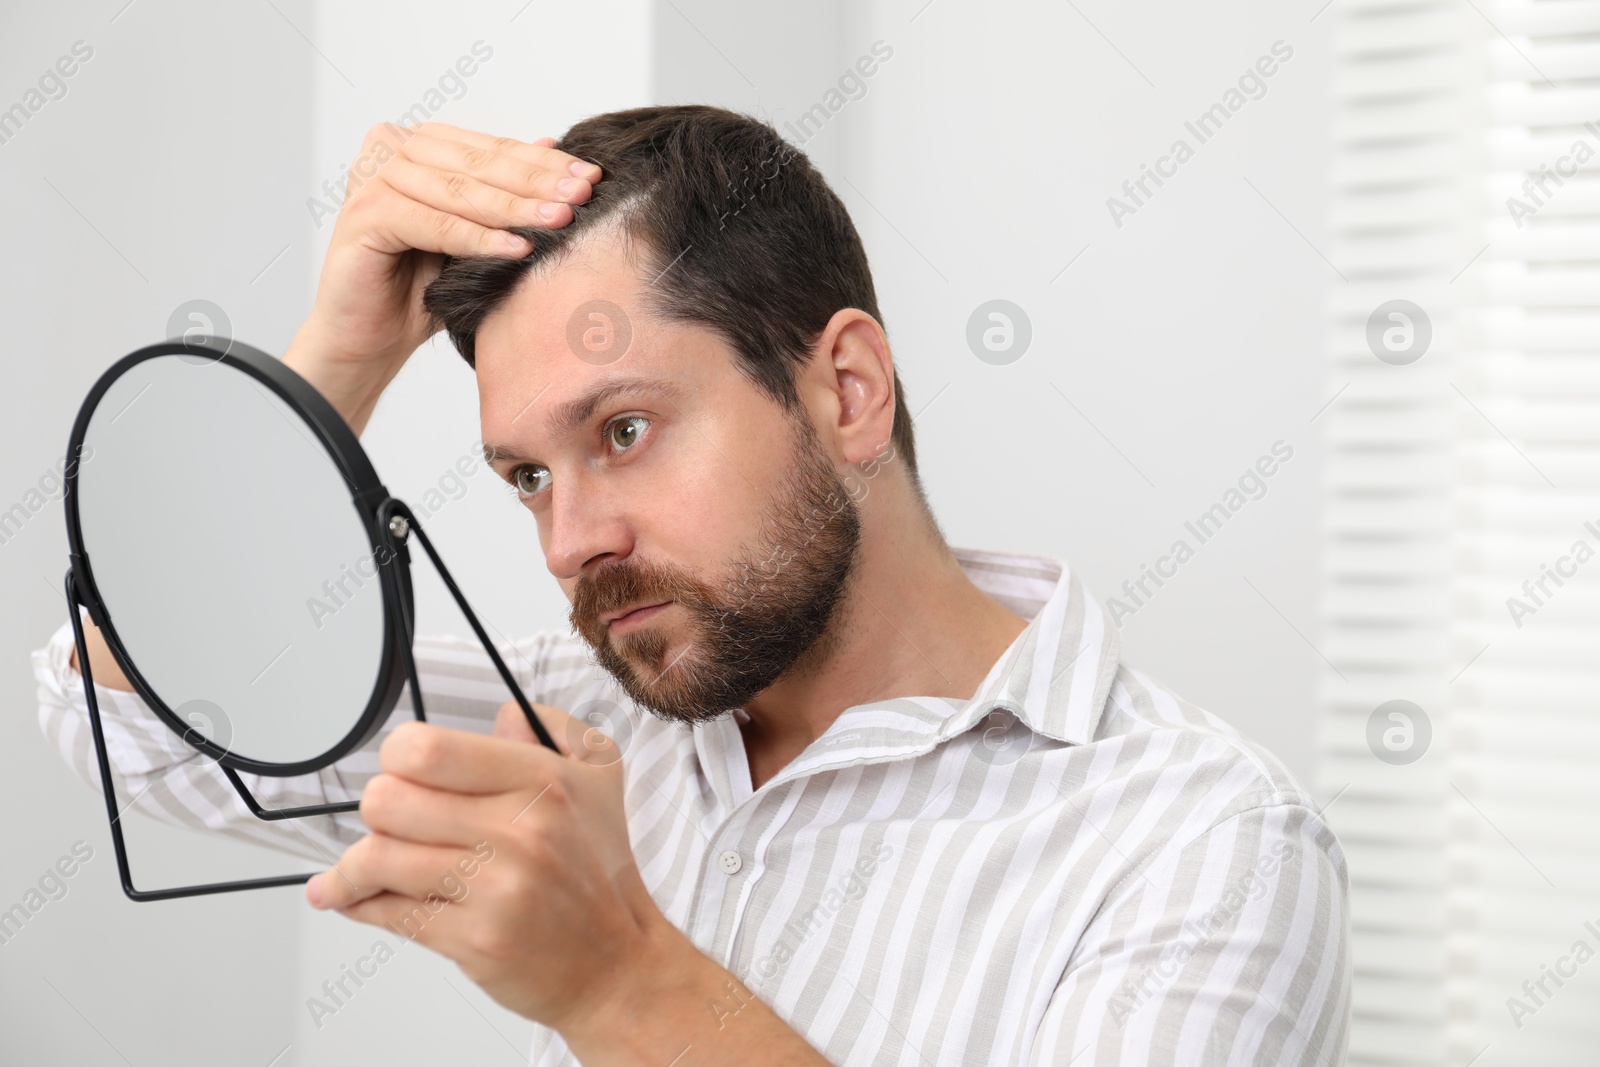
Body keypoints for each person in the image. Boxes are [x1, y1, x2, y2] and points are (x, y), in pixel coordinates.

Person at [33, 105, 1349, 1065]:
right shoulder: (571, 728)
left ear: (845, 391)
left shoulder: (1202, 844)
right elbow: (138, 725)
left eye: (621, 431)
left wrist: (614, 982)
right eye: (527, 477)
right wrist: (342, 356)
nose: (568, 544)